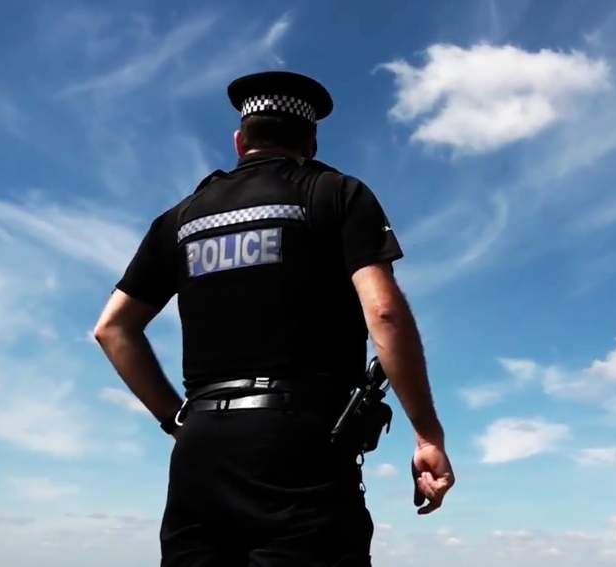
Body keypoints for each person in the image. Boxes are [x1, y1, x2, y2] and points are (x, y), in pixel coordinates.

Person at [93, 70, 454, 567]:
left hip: (199, 450)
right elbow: (385, 313)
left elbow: (112, 328)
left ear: (241, 140)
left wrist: (176, 421)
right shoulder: (334, 193)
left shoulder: (180, 218)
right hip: (298, 448)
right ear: (310, 140)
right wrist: (427, 435)